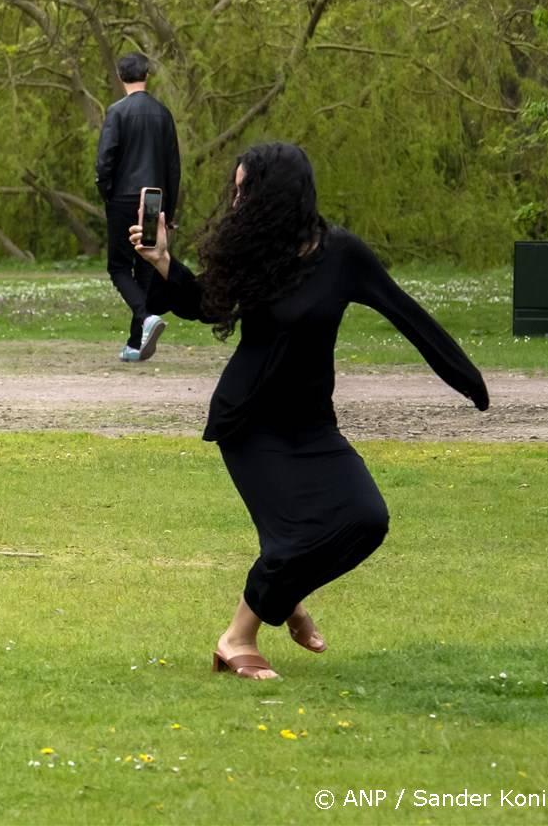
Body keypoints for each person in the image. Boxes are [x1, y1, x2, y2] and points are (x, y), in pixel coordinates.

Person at [131, 142, 488, 679]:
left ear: (275, 194)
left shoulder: (341, 253)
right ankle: (237, 639)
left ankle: (283, 596)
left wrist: (466, 379)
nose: (236, 202)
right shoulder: (254, 250)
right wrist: (162, 262)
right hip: (248, 420)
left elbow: (405, 312)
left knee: (366, 519)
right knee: (294, 538)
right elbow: (207, 305)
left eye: (244, 190)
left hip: (312, 423)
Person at [95, 51, 180, 362]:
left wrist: (106, 192)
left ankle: (145, 319)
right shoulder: (163, 114)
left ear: (120, 76)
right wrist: (169, 212)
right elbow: (173, 166)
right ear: (147, 74)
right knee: (145, 266)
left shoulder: (116, 113)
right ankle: (135, 343)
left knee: (118, 266)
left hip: (123, 197)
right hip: (155, 197)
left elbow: (105, 160)